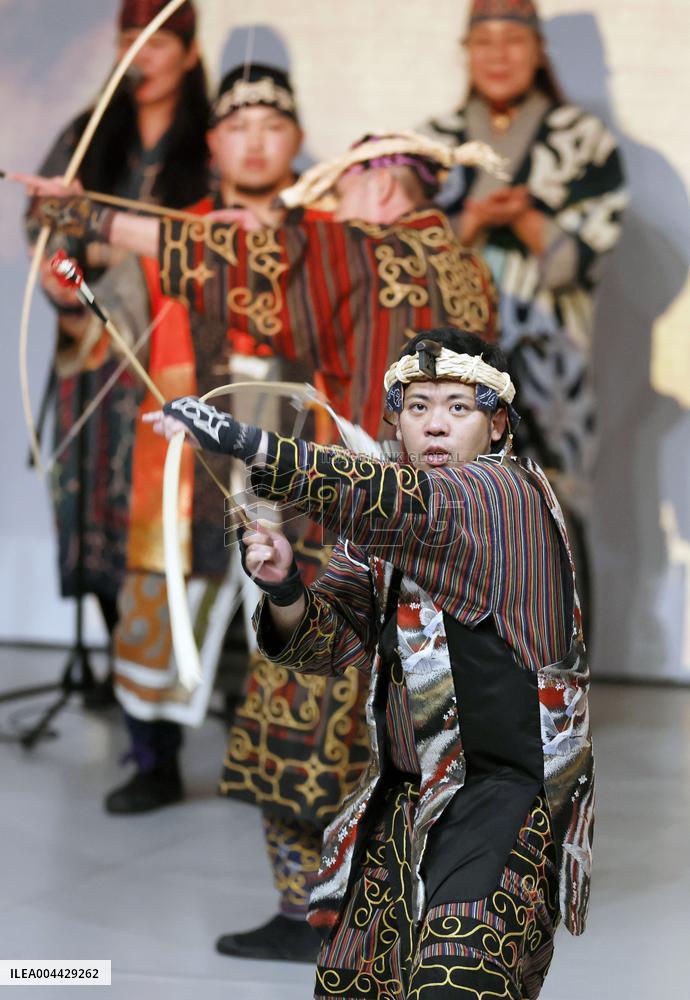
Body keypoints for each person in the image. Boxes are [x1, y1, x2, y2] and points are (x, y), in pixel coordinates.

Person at [23, 132, 499, 962]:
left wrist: (88, 214)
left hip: (352, 525)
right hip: (453, 540)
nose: (330, 207)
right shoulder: (463, 264)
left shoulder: (357, 248)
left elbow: (241, 258)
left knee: (303, 723)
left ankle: (310, 918)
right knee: (426, 733)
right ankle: (423, 912)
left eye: (341, 190)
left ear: (381, 187)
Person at [147, 325, 594, 999]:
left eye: (458, 407)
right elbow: (327, 640)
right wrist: (283, 585)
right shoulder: (391, 525)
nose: (435, 425)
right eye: (418, 408)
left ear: (498, 425)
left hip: (501, 799)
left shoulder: (508, 499)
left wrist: (248, 442)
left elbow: (410, 504)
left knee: (457, 981)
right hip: (403, 798)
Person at [25, 0, 209, 714]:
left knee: (156, 512)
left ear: (189, 54)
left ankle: (159, 681)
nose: (141, 54)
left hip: (171, 352)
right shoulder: (88, 132)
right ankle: (116, 661)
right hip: (94, 352)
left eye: (158, 41)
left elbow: (212, 244)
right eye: (129, 39)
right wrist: (59, 254)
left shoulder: (209, 141)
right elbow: (40, 220)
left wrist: (117, 241)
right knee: (88, 506)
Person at [423, 0, 626, 627]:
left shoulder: (579, 138)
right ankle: (463, 676)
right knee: (450, 500)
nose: (499, 55)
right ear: (466, 51)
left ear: (538, 51)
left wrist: (530, 221)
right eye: (485, 42)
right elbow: (407, 255)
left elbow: (585, 258)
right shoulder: (436, 139)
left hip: (549, 359)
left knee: (554, 504)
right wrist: (473, 222)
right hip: (455, 360)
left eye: (515, 40)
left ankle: (560, 675)